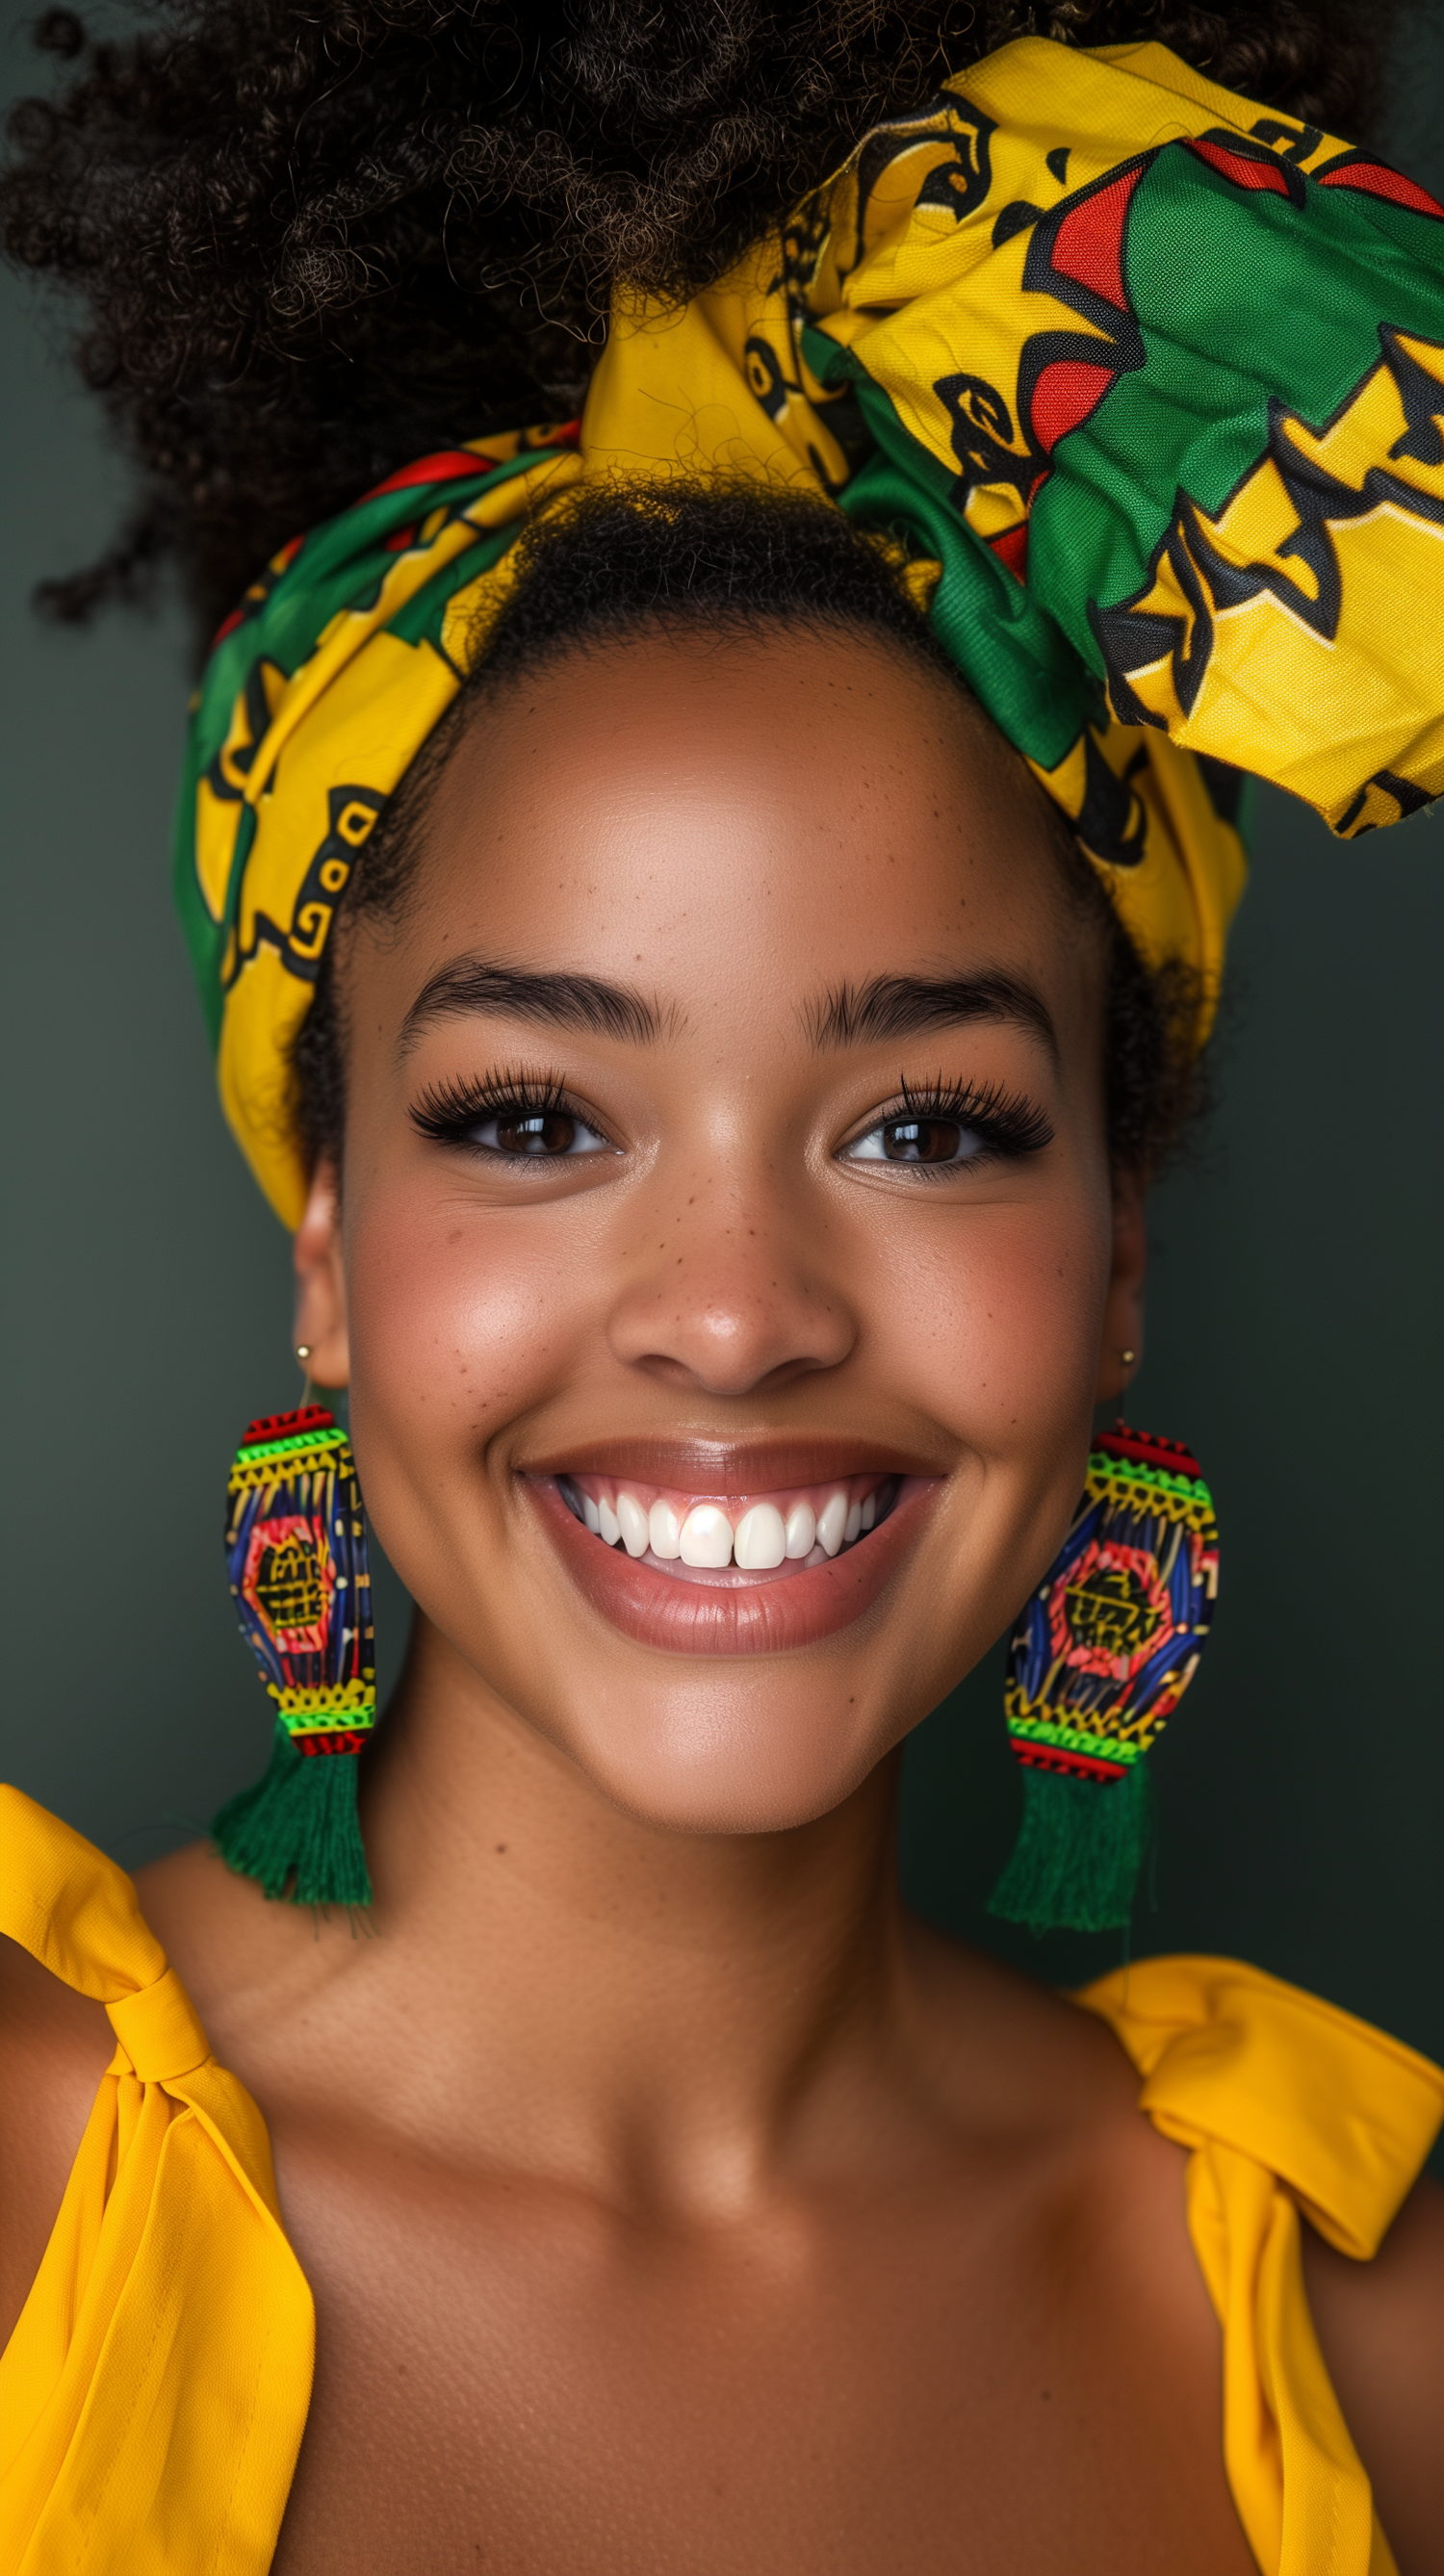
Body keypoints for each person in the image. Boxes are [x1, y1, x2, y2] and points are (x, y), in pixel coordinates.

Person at [2, 6, 1442, 2570]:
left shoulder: (1361, 2341)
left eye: (925, 1124)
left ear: (1111, 1251)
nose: (737, 1307)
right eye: (535, 1120)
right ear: (326, 1244)